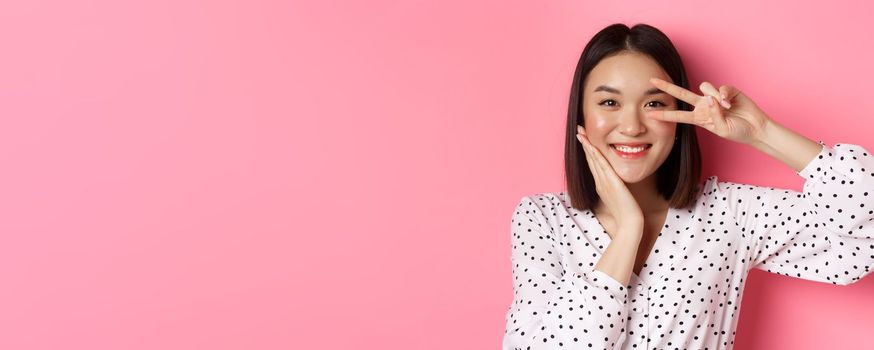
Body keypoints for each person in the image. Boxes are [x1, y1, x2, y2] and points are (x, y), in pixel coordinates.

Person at [502, 22, 874, 350]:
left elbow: (859, 243)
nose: (631, 126)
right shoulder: (543, 219)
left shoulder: (728, 213)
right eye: (610, 102)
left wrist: (763, 133)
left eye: (653, 104)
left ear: (680, 119)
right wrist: (628, 230)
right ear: (581, 114)